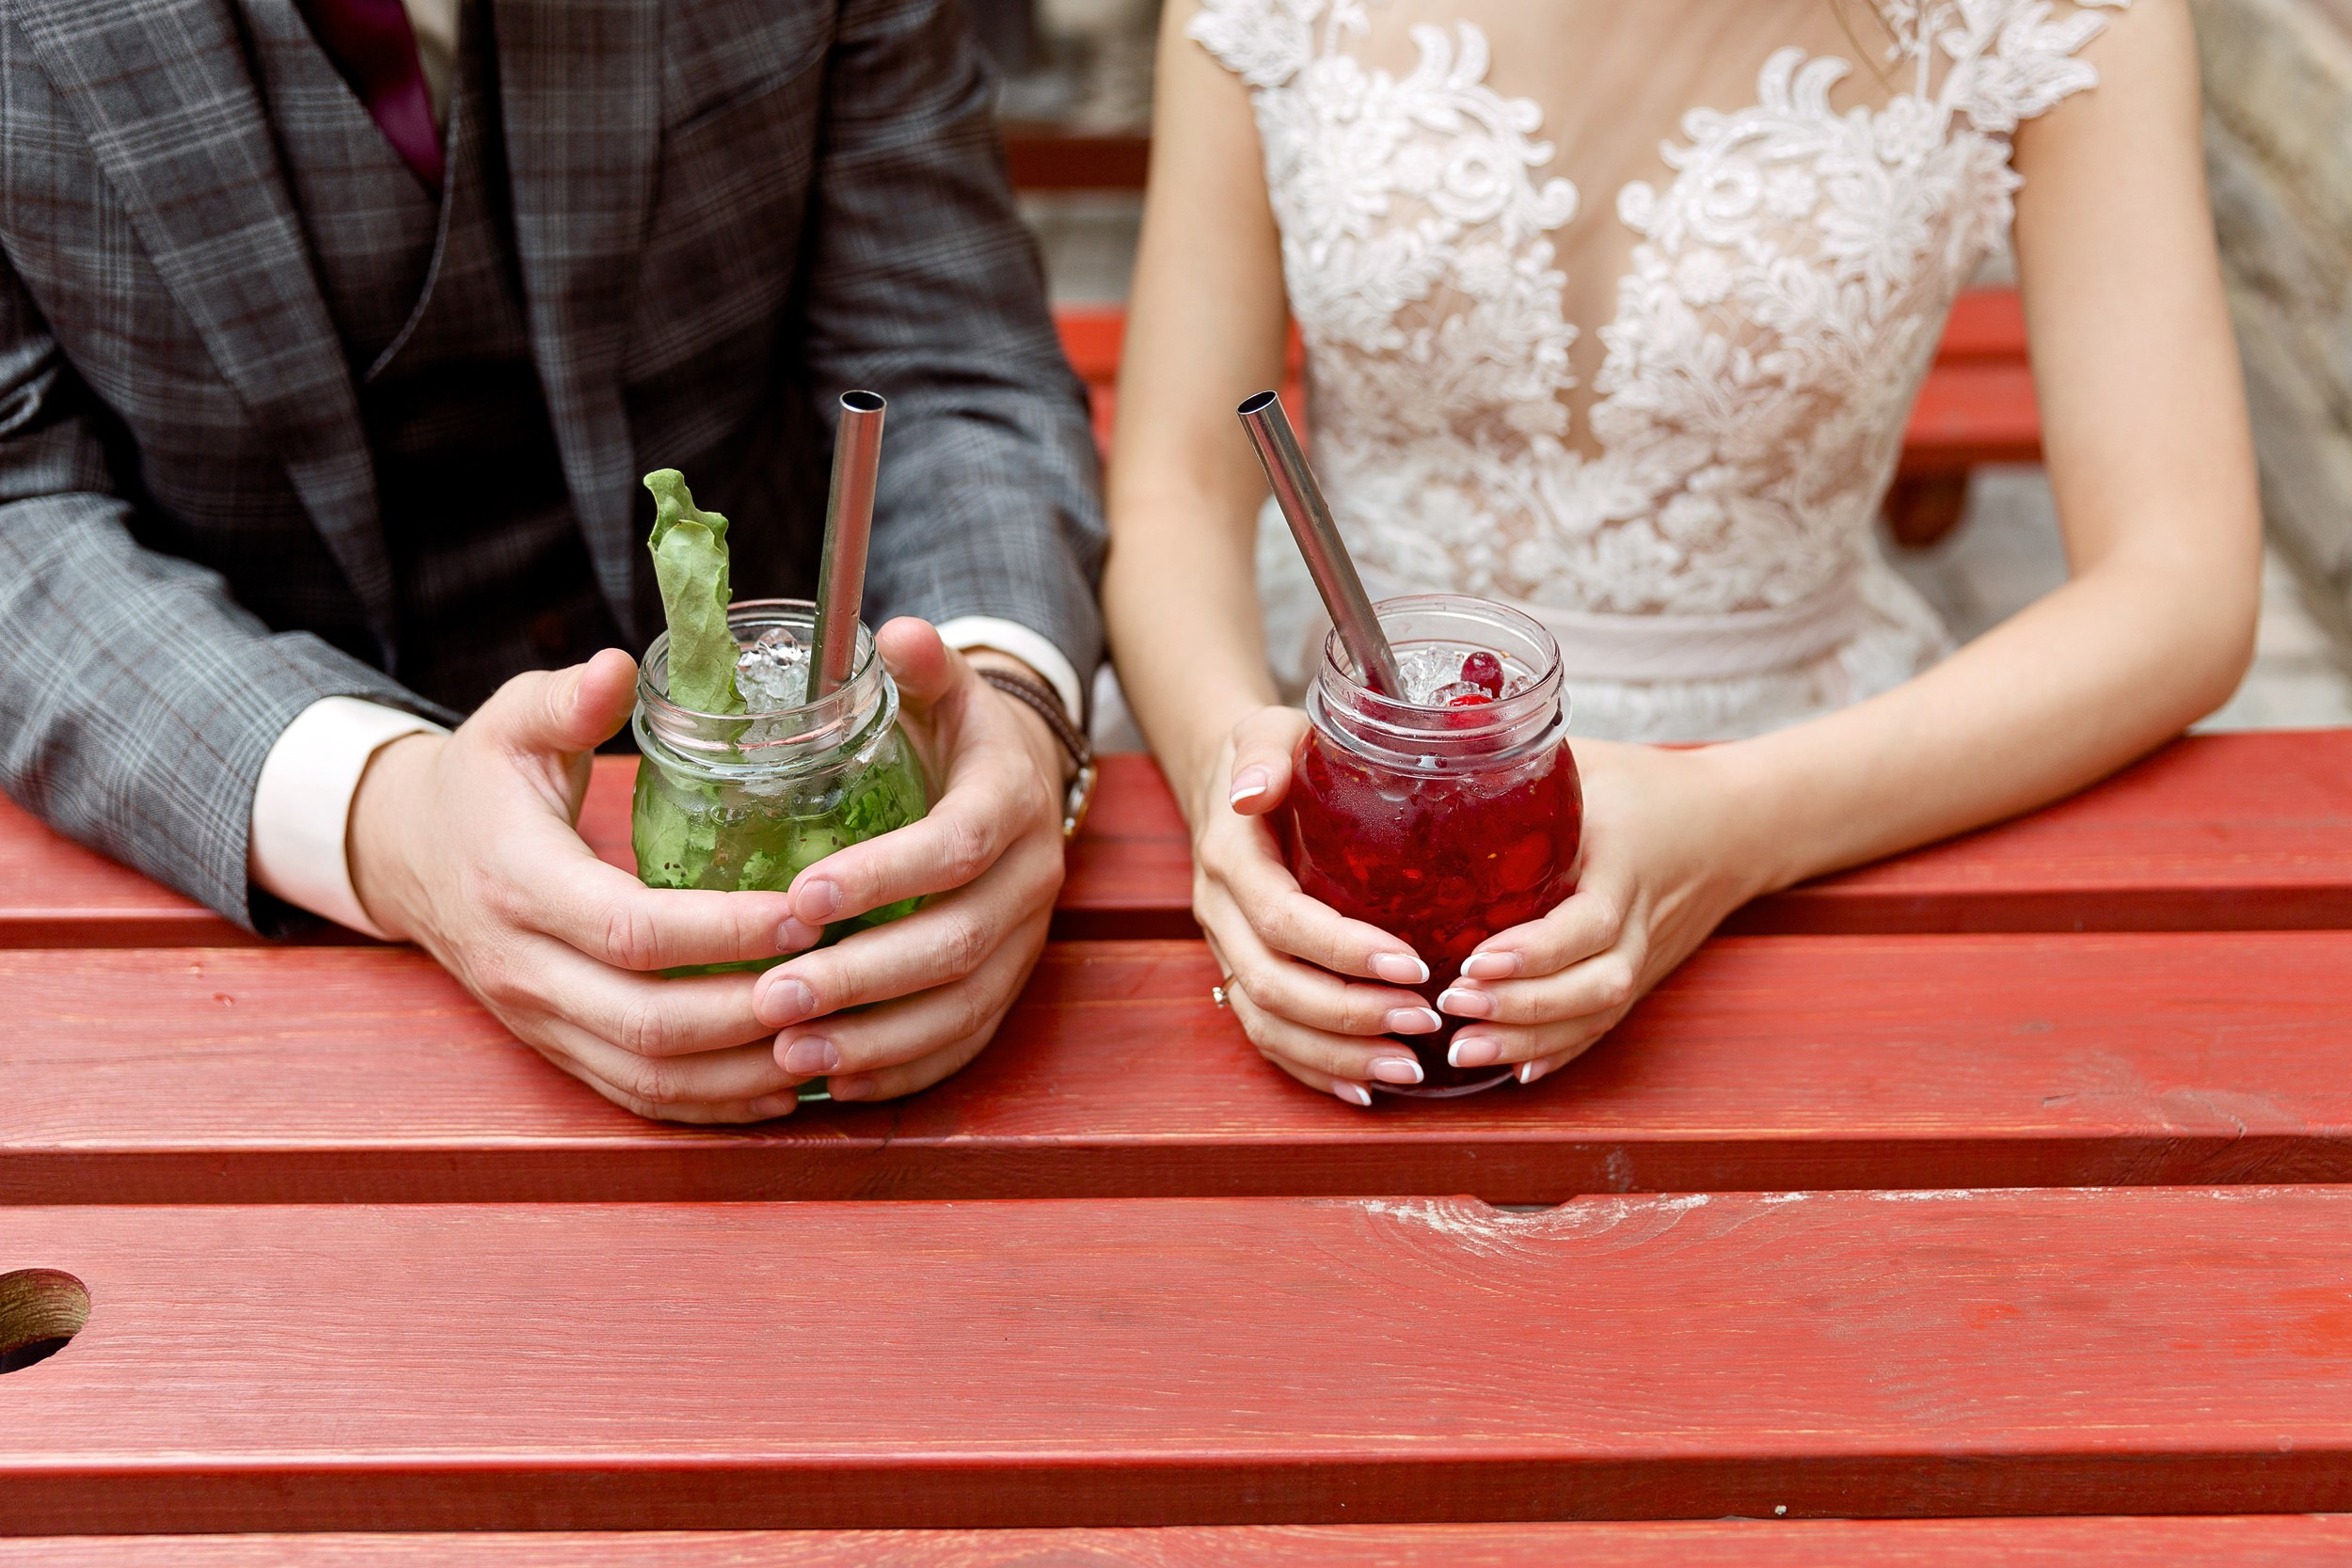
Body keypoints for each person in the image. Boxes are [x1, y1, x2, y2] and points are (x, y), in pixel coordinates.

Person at [1104, 0, 2262, 1103]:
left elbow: (2181, 585)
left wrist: (1736, 822)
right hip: (1346, 771)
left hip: (1825, 785)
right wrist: (1225, 773)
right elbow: (1178, 487)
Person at [0, 0, 1104, 1122]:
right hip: (244, 927)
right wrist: (386, 811)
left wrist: (1003, 706)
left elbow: (950, 362)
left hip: (803, 763)